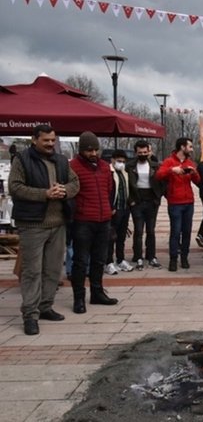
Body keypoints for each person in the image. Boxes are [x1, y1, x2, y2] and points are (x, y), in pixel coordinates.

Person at [8, 124, 79, 335]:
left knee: (52, 269)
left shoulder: (60, 160)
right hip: (32, 224)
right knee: (32, 271)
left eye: (52, 140)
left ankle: (46, 306)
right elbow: (15, 187)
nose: (50, 144)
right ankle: (30, 314)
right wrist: (44, 194)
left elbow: (75, 182)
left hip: (58, 223)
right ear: (34, 139)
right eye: (46, 140)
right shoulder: (22, 160)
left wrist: (64, 190)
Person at [69, 131, 118, 314]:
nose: (93, 154)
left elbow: (108, 189)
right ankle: (78, 298)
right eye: (89, 150)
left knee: (99, 260)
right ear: (82, 150)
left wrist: (108, 210)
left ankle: (97, 292)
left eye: (96, 150)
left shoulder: (105, 167)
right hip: (83, 220)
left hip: (103, 219)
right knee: (81, 261)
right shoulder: (73, 167)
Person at [156, 137, 201, 272]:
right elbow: (158, 175)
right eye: (190, 146)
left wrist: (194, 172)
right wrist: (172, 170)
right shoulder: (169, 161)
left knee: (187, 231)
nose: (192, 149)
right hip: (175, 202)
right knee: (175, 232)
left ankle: (184, 258)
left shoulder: (189, 162)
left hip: (189, 202)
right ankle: (173, 259)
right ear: (182, 147)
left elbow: (198, 181)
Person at [126, 140, 164, 271]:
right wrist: (131, 200)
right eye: (140, 152)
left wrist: (158, 198)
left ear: (149, 151)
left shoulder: (155, 165)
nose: (142, 154)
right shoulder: (129, 166)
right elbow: (125, 184)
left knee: (151, 231)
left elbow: (162, 182)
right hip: (137, 201)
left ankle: (151, 255)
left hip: (151, 201)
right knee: (138, 231)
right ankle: (138, 256)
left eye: (145, 152)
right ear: (136, 152)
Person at [104, 150, 133, 275]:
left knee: (121, 236)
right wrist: (110, 206)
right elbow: (107, 191)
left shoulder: (124, 173)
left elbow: (126, 189)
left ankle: (120, 259)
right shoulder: (108, 173)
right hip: (113, 209)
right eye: (119, 161)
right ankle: (108, 262)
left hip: (124, 208)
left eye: (123, 162)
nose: (121, 164)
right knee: (111, 237)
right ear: (112, 160)